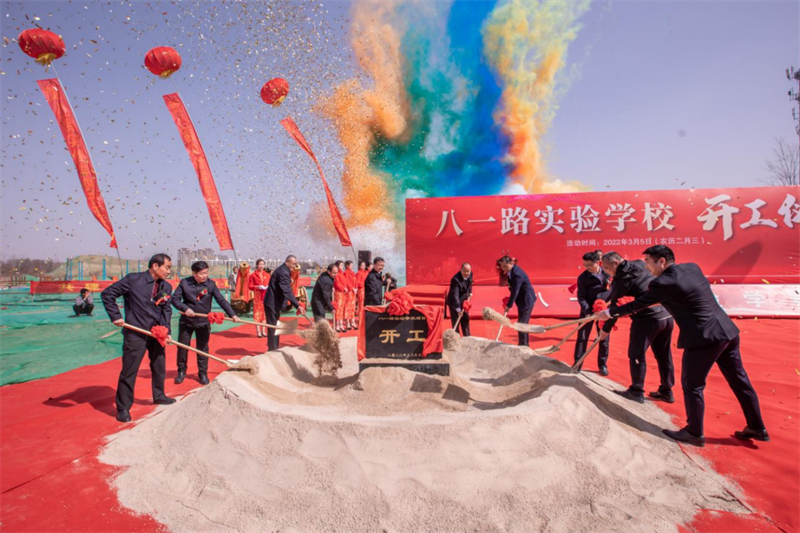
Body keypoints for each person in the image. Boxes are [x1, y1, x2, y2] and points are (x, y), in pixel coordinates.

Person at [598, 245, 768, 447]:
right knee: (740, 380)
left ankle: (694, 432)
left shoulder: (662, 283)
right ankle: (757, 427)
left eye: (649, 262)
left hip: (704, 338)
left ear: (662, 261)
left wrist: (608, 313)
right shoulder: (691, 267)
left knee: (693, 385)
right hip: (727, 331)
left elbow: (639, 304)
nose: (647, 267)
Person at [101, 253, 175, 423]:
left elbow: (166, 310)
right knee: (129, 370)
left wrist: (166, 330)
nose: (169, 271)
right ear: (155, 266)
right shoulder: (133, 280)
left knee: (159, 366)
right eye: (167, 267)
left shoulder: (166, 287)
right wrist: (116, 316)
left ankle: (159, 395)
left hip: (157, 333)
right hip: (135, 333)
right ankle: (123, 407)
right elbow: (108, 294)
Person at [599, 252, 675, 405]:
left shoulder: (621, 280)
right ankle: (667, 391)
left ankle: (637, 390)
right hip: (666, 315)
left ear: (616, 263)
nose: (606, 271)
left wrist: (605, 330)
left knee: (636, 354)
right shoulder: (640, 264)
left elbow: (614, 309)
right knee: (664, 355)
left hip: (647, 320)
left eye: (607, 268)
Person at [171, 261, 240, 385]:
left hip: (203, 322)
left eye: (206, 273)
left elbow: (221, 300)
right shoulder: (185, 283)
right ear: (194, 273)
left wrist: (232, 314)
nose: (205, 276)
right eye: (202, 273)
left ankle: (202, 373)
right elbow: (175, 299)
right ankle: (181, 371)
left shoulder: (211, 284)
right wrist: (185, 309)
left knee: (202, 348)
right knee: (182, 347)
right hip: (186, 322)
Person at [574, 250, 611, 375]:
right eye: (585, 265)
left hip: (605, 310)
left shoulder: (608, 273)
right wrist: (588, 312)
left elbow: (614, 290)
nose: (587, 268)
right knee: (582, 337)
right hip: (589, 311)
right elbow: (581, 297)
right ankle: (578, 363)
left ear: (598, 262)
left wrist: (608, 307)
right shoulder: (583, 278)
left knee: (603, 338)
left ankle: (602, 364)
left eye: (590, 265)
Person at [263, 255, 305, 351]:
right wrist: (297, 305)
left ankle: (274, 348)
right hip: (272, 303)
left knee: (275, 326)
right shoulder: (283, 272)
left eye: (295, 264)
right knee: (273, 327)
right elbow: (286, 290)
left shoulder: (284, 270)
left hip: (275, 303)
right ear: (287, 262)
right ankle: (272, 350)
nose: (294, 266)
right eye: (293, 264)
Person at [498, 256, 537, 346]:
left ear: (511, 263)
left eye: (505, 266)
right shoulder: (511, 272)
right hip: (521, 300)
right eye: (502, 267)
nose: (504, 269)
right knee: (522, 323)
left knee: (522, 324)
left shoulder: (517, 274)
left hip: (526, 300)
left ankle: (523, 346)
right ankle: (523, 345)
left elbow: (515, 291)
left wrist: (509, 305)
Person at [447, 263, 473, 337]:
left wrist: (470, 292)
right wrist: (458, 309)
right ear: (461, 270)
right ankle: (456, 339)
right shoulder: (455, 280)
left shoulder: (470, 274)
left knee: (465, 320)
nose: (466, 273)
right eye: (464, 271)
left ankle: (467, 338)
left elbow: (470, 283)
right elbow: (455, 296)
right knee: (456, 322)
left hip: (464, 301)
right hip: (454, 303)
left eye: (468, 271)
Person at [248, 259, 271, 338]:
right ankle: (258, 331)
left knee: (264, 313)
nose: (261, 266)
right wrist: (257, 287)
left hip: (266, 296)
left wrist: (267, 287)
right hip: (258, 297)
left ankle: (263, 331)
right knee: (257, 313)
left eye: (263, 264)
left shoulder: (267, 275)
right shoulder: (253, 275)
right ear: (257, 265)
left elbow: (270, 284)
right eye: (260, 264)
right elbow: (250, 286)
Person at [333, 260, 351, 332]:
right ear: (337, 266)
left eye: (342, 265)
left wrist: (345, 288)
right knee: (338, 309)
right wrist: (344, 288)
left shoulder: (342, 274)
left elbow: (345, 283)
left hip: (343, 293)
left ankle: (341, 324)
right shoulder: (337, 274)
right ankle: (337, 325)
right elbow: (337, 284)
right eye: (341, 265)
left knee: (342, 309)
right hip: (338, 293)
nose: (342, 267)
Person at [355, 260, 371, 326]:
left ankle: (365, 319)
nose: (363, 266)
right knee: (361, 305)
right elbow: (357, 282)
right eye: (362, 265)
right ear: (359, 266)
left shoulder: (366, 272)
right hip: (361, 290)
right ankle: (360, 319)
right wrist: (364, 284)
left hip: (366, 290)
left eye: (364, 265)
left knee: (365, 305)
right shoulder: (358, 273)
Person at [344, 260, 358, 330]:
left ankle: (353, 321)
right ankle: (347, 322)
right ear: (347, 266)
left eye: (352, 265)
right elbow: (347, 282)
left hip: (354, 292)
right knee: (348, 306)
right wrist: (352, 288)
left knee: (353, 306)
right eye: (351, 265)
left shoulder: (353, 273)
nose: (352, 266)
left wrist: (356, 288)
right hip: (349, 292)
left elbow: (356, 281)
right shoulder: (346, 273)